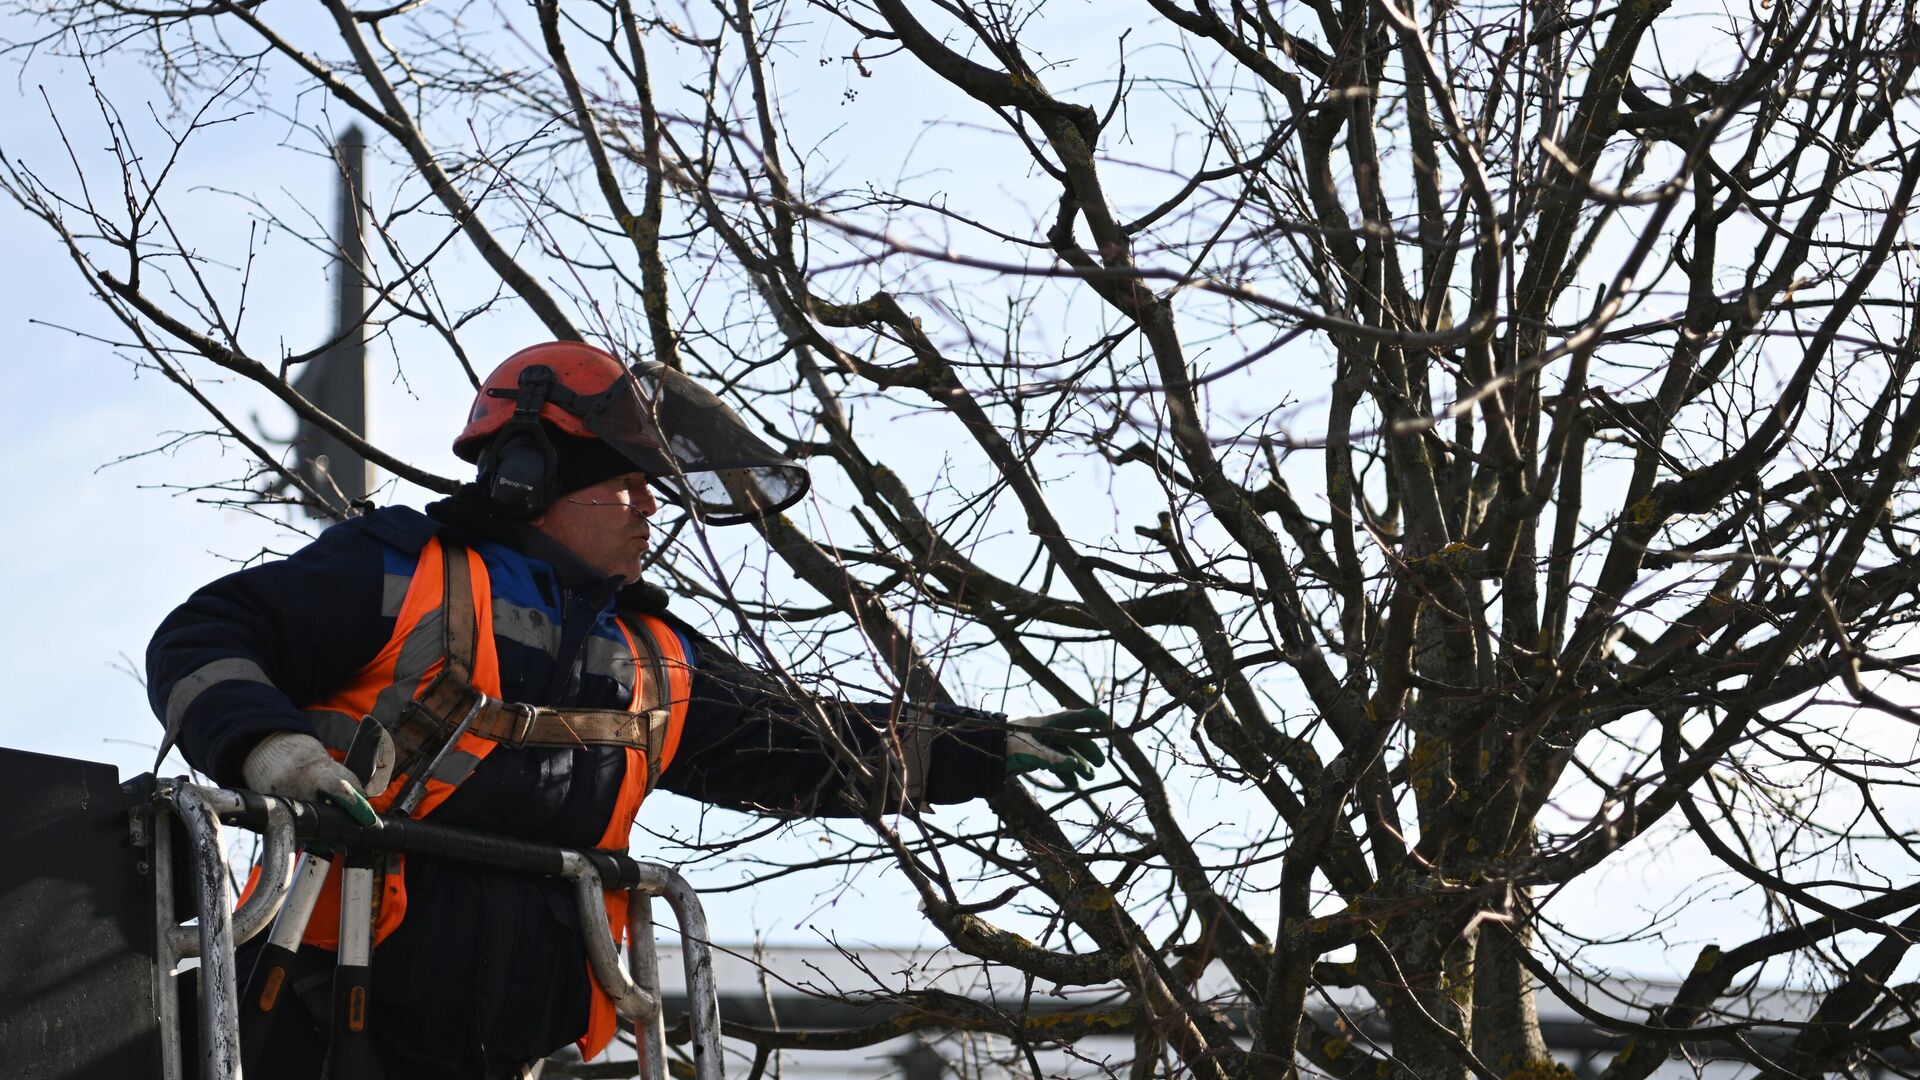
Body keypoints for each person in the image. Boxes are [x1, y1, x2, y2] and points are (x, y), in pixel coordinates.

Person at [146, 341, 1105, 1079]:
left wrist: (985, 748)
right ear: (531, 476)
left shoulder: (654, 657)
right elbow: (203, 638)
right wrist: (273, 753)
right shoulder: (400, 571)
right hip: (317, 1025)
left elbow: (805, 745)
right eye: (627, 483)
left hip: (516, 1053)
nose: (651, 508)